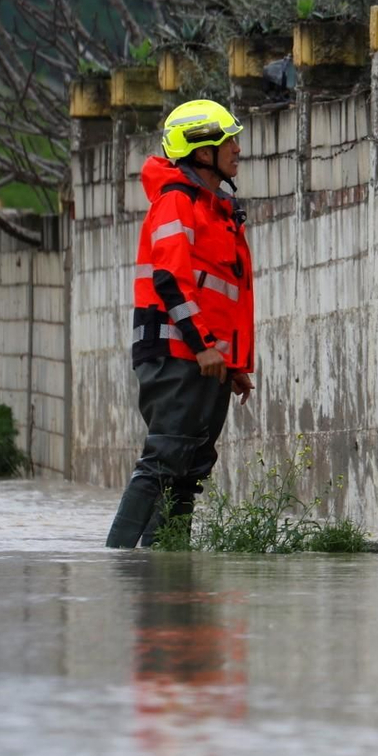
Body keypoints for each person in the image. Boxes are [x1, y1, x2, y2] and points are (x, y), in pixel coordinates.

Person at [106, 100, 255, 548]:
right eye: (229, 140)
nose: (238, 149)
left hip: (203, 357)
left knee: (190, 468)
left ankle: (165, 568)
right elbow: (171, 280)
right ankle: (122, 565)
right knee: (164, 460)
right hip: (178, 354)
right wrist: (205, 347)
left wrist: (229, 363)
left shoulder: (214, 210)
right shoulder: (176, 202)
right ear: (203, 151)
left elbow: (220, 297)